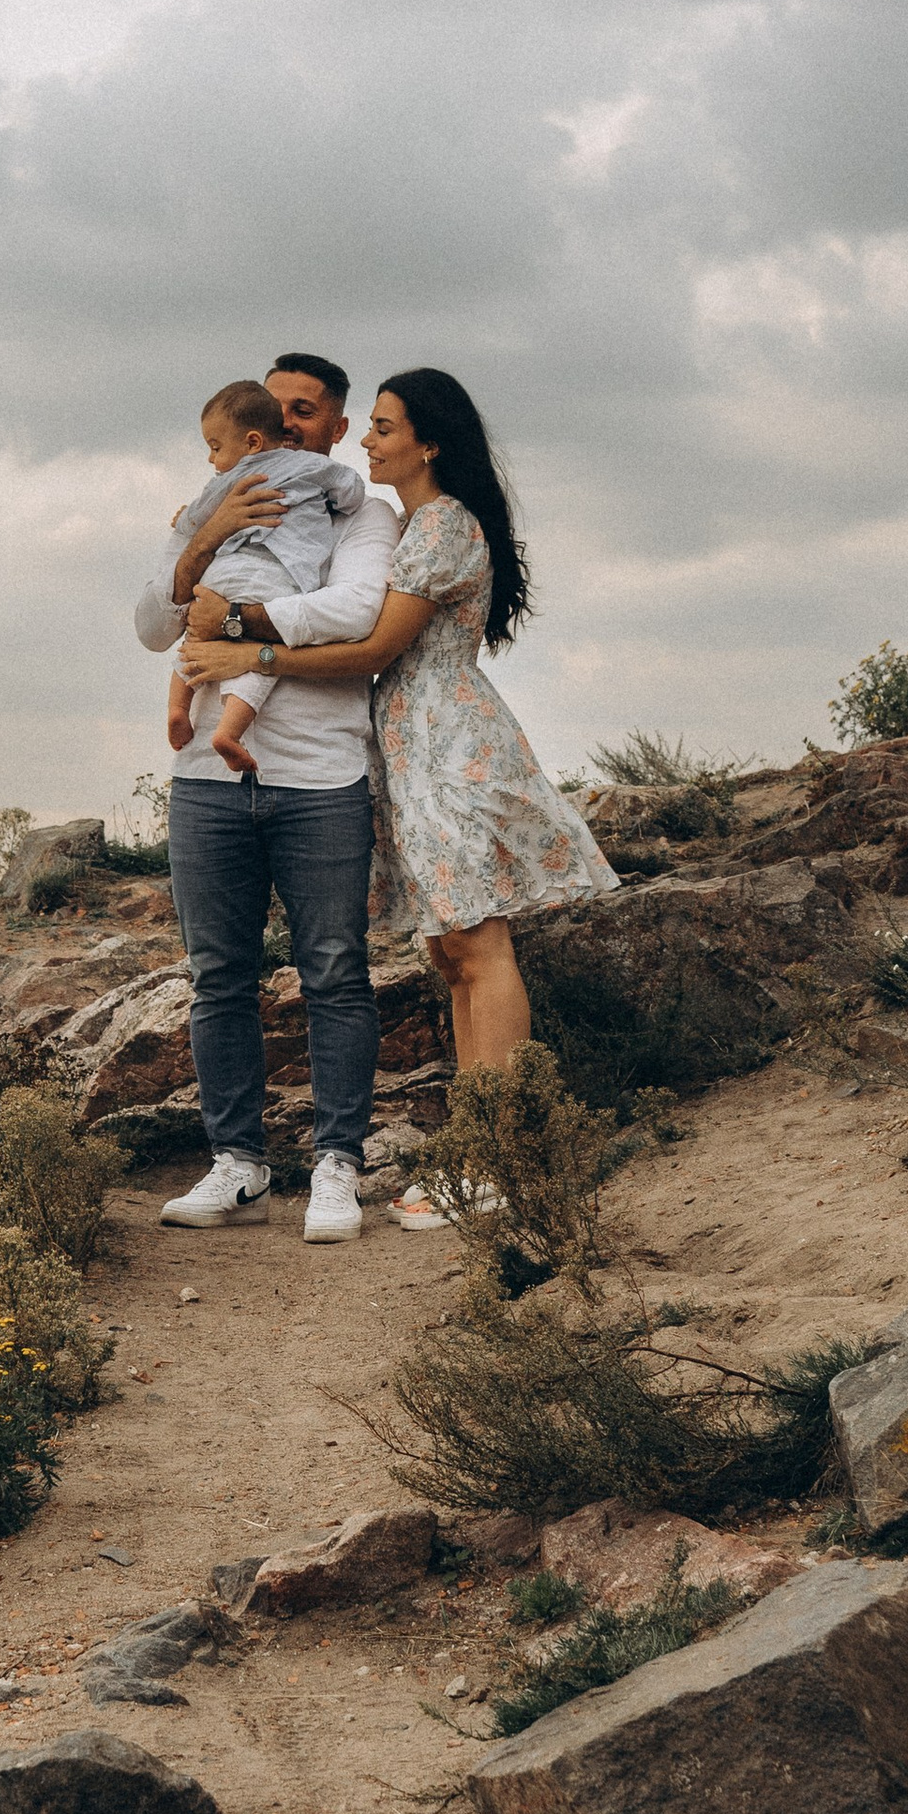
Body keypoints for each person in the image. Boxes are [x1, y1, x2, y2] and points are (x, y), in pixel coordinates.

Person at [176, 365, 615, 1227]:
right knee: (454, 952)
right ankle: (481, 1150)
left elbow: (375, 649)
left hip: (450, 747)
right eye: (369, 426)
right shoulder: (416, 524)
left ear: (429, 442)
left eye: (382, 426)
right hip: (416, 749)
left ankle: (497, 1159)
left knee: (481, 947)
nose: (368, 440)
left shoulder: (442, 525)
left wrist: (248, 653)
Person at [136, 350, 394, 1241]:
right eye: (277, 408)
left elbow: (358, 614)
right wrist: (205, 540)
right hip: (208, 786)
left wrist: (241, 633)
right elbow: (151, 623)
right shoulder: (220, 498)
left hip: (322, 776)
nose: (290, 424)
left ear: (333, 427)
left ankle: (337, 1165)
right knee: (218, 979)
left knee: (334, 973)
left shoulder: (359, 511)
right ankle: (238, 1164)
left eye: (307, 412)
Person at [163, 380, 366, 777]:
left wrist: (186, 520)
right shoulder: (313, 467)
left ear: (252, 441)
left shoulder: (230, 480)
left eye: (216, 447)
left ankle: (176, 708)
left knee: (195, 640)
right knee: (256, 658)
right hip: (278, 575)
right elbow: (352, 491)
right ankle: (228, 732)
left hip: (224, 570)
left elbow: (195, 517)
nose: (211, 458)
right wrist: (331, 503)